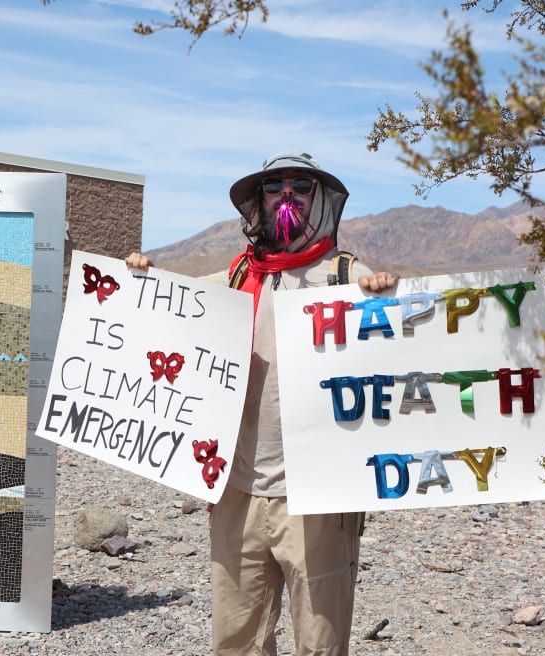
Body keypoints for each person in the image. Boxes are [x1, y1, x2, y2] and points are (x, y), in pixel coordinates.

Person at [127, 150, 398, 656]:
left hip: (315, 493)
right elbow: (171, 304)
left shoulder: (344, 276)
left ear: (318, 199)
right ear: (260, 200)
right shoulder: (236, 277)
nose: (287, 195)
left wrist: (380, 292)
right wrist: (141, 277)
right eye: (275, 186)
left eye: (300, 185)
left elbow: (393, 335)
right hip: (237, 488)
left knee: (320, 639)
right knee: (236, 637)